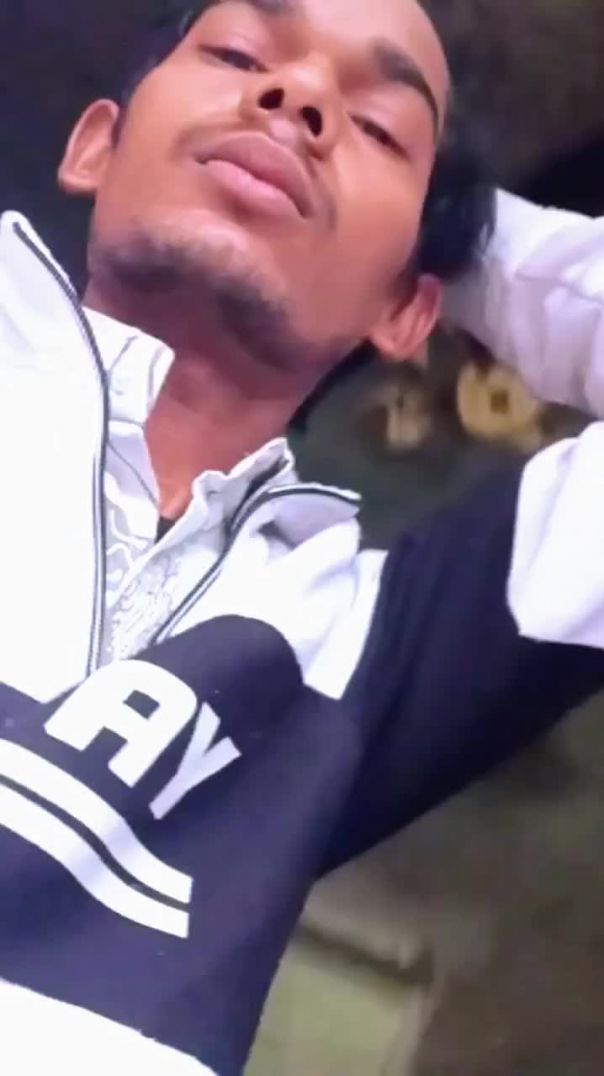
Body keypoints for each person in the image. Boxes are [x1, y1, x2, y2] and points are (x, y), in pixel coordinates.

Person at [0, 1, 603, 1073]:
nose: (300, 95)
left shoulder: (363, 645)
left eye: (377, 127)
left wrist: (463, 239)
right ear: (95, 145)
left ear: (410, 314)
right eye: (239, 54)